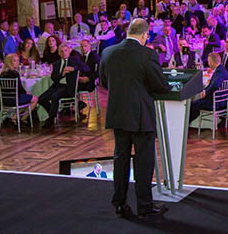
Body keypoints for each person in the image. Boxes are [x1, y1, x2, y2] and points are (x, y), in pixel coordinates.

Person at [100, 18, 171, 220]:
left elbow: (105, 82)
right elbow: (160, 85)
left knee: (120, 160)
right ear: (144, 34)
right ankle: (145, 206)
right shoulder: (147, 54)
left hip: (117, 114)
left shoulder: (108, 52)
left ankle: (120, 204)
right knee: (143, 161)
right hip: (140, 116)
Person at [38, 43, 91, 129]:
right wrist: (62, 74)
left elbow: (86, 68)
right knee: (41, 99)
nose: (64, 53)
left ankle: (51, 119)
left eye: (66, 51)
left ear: (69, 51)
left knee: (55, 96)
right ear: (59, 53)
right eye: (62, 52)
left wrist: (73, 69)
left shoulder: (74, 60)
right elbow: (53, 78)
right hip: (57, 86)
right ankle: (53, 114)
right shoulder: (56, 64)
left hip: (68, 87)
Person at [189, 52, 228, 122]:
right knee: (195, 103)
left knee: (192, 105)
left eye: (208, 61)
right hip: (221, 100)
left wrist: (206, 92)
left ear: (211, 63)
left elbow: (215, 85)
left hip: (216, 103)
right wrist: (205, 91)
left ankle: (186, 125)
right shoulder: (222, 69)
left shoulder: (219, 72)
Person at [0, 54, 39, 123]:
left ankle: (14, 117)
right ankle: (22, 119)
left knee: (27, 99)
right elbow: (19, 88)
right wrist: (26, 92)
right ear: (10, 62)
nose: (17, 62)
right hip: (15, 98)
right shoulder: (14, 73)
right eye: (14, 61)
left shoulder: (2, 73)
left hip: (5, 99)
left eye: (18, 60)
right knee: (35, 99)